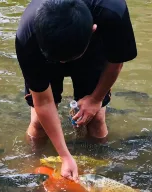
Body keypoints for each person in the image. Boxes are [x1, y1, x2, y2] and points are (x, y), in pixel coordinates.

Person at [15, 0, 138, 181]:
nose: (63, 65)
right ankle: (34, 169)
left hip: (92, 50)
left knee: (96, 119)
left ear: (93, 30)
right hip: (46, 49)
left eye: (67, 59)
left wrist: (95, 99)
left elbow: (115, 61)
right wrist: (65, 156)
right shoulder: (27, 35)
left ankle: (98, 171)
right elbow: (43, 101)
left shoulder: (112, 12)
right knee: (38, 123)